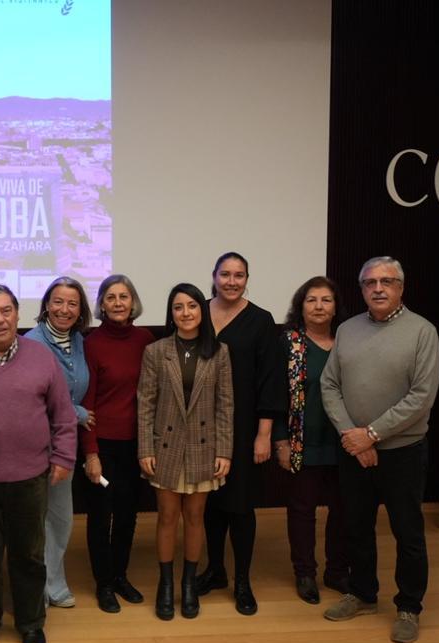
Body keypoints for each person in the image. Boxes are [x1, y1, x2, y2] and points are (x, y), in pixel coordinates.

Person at [321, 257, 439, 643]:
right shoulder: (347, 329)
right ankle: (362, 593)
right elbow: (329, 386)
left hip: (402, 451)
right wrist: (353, 437)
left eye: (387, 281)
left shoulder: (422, 332)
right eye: (369, 282)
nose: (378, 288)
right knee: (355, 526)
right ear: (360, 289)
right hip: (354, 449)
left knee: (408, 532)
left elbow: (421, 398)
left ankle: (409, 606)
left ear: (401, 288)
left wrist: (371, 434)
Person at [0, 285, 77, 643]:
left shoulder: (42, 357)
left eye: (6, 311)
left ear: (17, 314)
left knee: (29, 555)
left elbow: (63, 414)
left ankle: (30, 624)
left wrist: (63, 458)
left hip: (31, 477)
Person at [137, 283, 233, 620]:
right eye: (178, 307)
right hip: (164, 447)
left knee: (195, 518)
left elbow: (225, 405)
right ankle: (166, 586)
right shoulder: (155, 351)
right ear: (171, 313)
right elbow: (145, 404)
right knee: (166, 518)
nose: (186, 313)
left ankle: (189, 584)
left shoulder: (219, 352)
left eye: (192, 306)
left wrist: (225, 450)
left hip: (204, 449)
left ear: (201, 310)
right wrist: (145, 448)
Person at [196, 252, 285, 616]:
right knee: (211, 504)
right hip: (199, 428)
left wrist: (264, 434)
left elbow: (270, 381)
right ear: (214, 276)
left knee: (240, 506)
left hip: (244, 428)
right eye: (225, 274)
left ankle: (242, 580)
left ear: (247, 279)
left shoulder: (261, 321)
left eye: (239, 275)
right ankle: (215, 570)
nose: (232, 281)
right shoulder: (196, 312)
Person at [79, 274, 154, 613]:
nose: (119, 302)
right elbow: (88, 402)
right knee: (100, 515)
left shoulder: (146, 340)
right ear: (102, 305)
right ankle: (103, 583)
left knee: (127, 513)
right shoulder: (91, 342)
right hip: (103, 443)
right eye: (111, 297)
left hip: (137, 444)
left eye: (124, 296)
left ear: (133, 301)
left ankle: (120, 575)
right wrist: (91, 452)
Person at [272, 276, 349, 605]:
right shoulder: (288, 343)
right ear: (300, 307)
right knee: (302, 510)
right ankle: (305, 572)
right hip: (302, 440)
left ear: (336, 307)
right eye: (311, 300)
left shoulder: (350, 341)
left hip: (347, 440)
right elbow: (273, 396)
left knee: (344, 509)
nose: (319, 306)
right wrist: (281, 441)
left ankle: (337, 570)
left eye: (326, 300)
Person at [23, 277, 93, 609]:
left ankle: (53, 580)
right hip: (36, 442)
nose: (65, 309)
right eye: (58, 301)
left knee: (61, 517)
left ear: (80, 310)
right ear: (46, 304)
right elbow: (33, 394)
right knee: (35, 519)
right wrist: (76, 411)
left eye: (72, 303)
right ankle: (37, 587)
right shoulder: (33, 342)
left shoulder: (77, 340)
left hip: (64, 443)